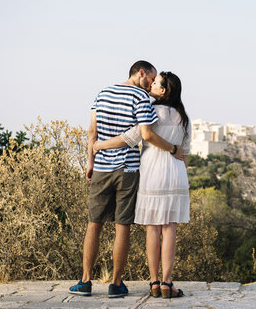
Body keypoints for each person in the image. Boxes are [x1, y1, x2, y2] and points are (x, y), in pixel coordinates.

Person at [69, 61, 182, 298]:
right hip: (128, 169)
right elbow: (143, 134)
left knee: (94, 223)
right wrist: (173, 149)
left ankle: (85, 281)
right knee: (123, 226)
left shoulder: (103, 93)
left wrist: (91, 161)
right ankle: (116, 284)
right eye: (150, 79)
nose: (151, 84)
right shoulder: (141, 98)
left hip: (101, 167)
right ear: (141, 73)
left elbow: (92, 131)